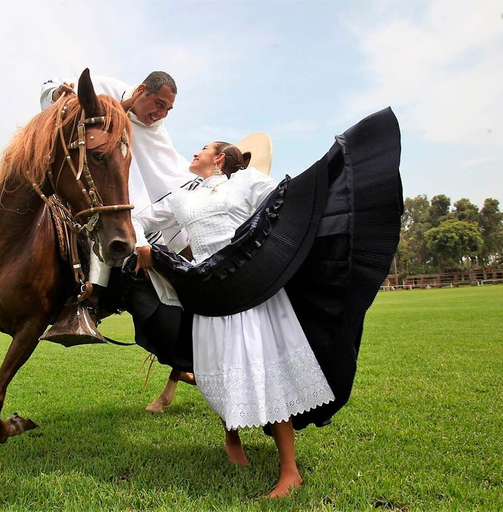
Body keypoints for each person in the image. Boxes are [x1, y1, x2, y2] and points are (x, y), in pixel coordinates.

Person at [133, 141, 336, 498]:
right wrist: (141, 246)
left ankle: (290, 470)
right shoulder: (181, 196)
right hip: (209, 293)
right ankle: (231, 434)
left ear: (221, 158)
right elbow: (138, 218)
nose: (194, 153)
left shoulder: (247, 182)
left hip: (250, 289)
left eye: (203, 148)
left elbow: (288, 202)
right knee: (220, 370)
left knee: (266, 369)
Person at [39, 72, 197, 356]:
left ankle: (95, 302)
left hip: (133, 197)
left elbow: (168, 169)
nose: (160, 113)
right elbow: (54, 88)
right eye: (158, 103)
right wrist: (55, 94)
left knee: (119, 218)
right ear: (140, 90)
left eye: (167, 110)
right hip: (93, 180)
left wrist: (203, 183)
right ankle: (85, 303)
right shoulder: (103, 88)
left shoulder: (157, 131)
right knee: (102, 215)